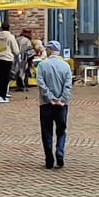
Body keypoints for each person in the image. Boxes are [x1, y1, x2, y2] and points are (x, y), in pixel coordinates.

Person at [36, 40, 74, 168]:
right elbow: (68, 86)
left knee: (47, 131)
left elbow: (41, 85)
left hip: (46, 104)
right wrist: (62, 99)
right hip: (62, 105)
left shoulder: (42, 65)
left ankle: (49, 159)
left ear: (49, 50)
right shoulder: (66, 66)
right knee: (61, 130)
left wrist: (50, 98)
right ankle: (60, 152)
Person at [0, 25, 18, 103]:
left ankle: (0, 94)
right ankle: (2, 96)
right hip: (7, 59)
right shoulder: (10, 36)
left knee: (0, 77)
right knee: (5, 79)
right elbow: (16, 50)